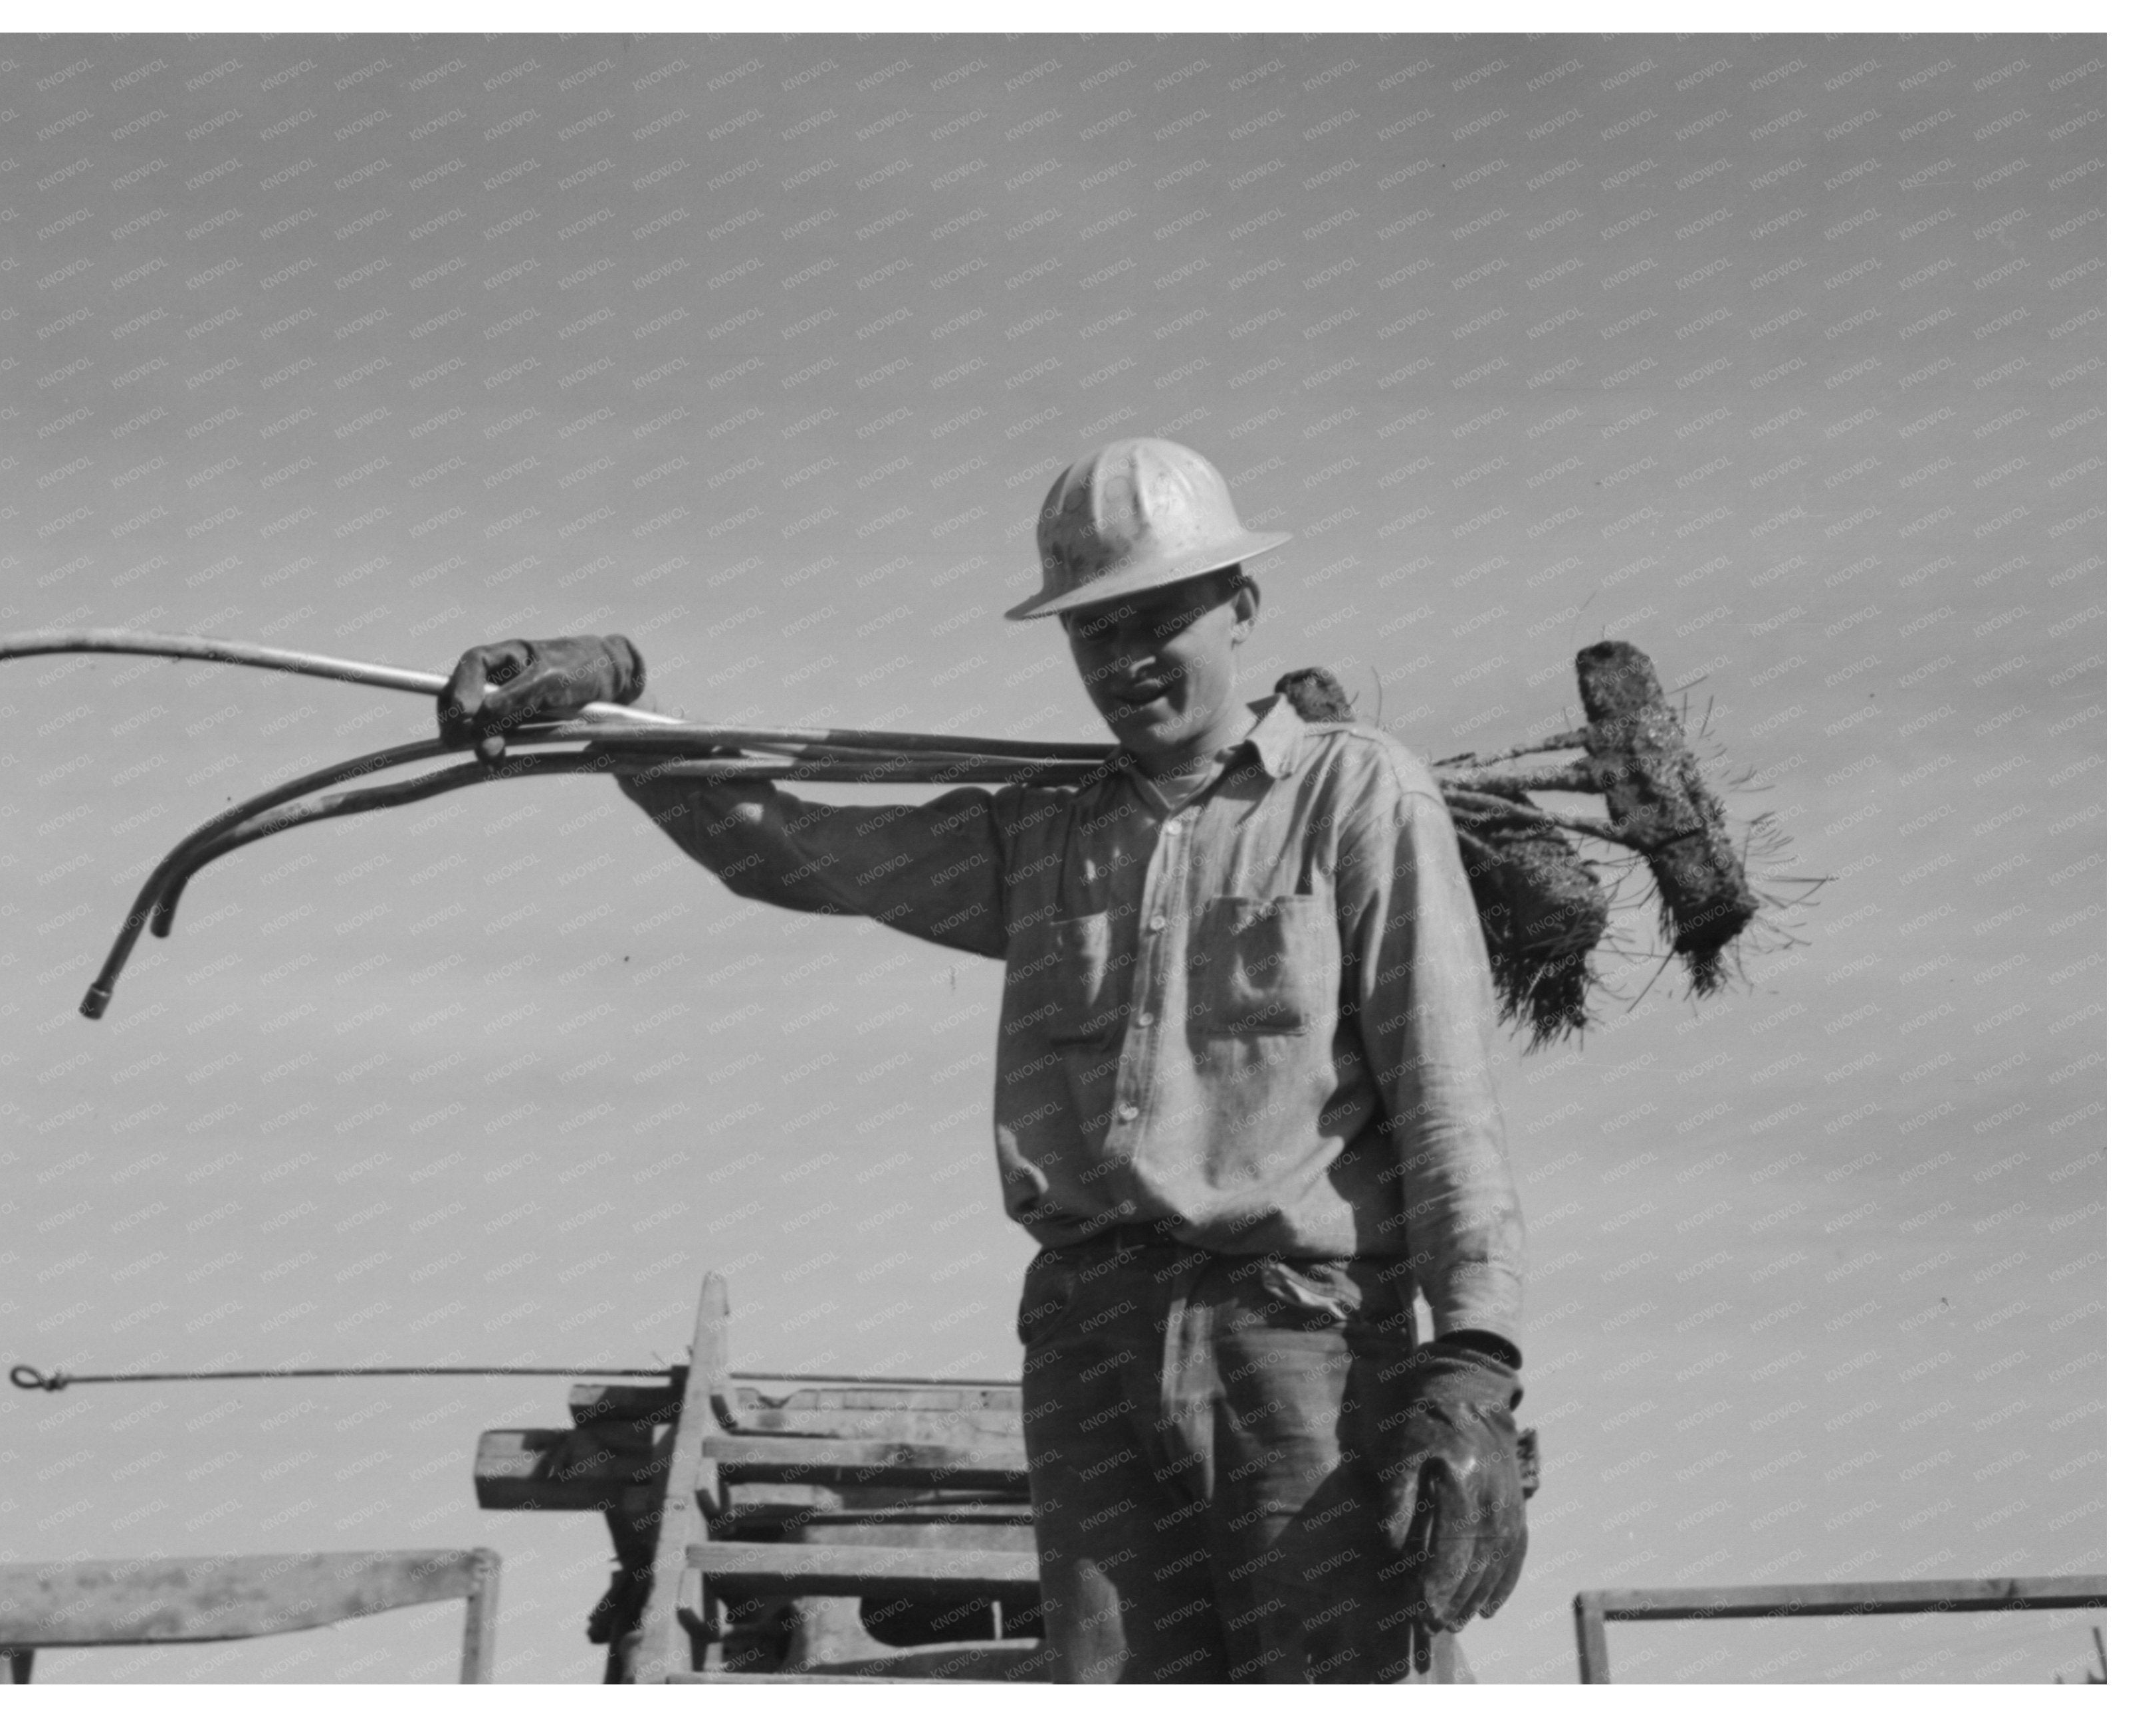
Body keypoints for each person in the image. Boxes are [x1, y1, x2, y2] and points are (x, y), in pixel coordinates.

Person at [443, 438, 1530, 1683]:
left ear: (1241, 604)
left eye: (1158, 618)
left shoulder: (1358, 798)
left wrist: (1475, 1367)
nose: (1125, 661)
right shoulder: (1042, 836)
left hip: (1301, 1349)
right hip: (1089, 1347)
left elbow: (1445, 1097)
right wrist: (613, 724)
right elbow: (791, 850)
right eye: (1091, 631)